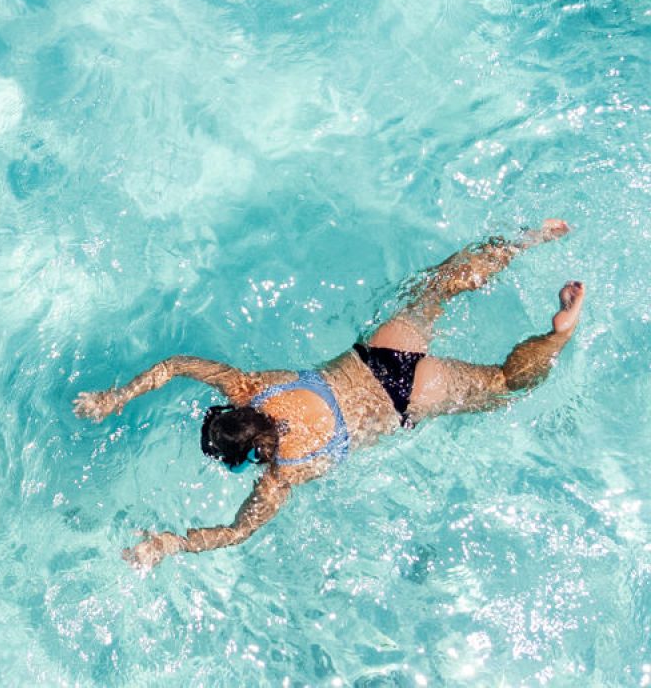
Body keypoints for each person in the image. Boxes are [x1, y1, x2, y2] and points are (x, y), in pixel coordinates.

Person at [73, 220, 584, 570]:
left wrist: (169, 544)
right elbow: (177, 364)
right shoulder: (253, 386)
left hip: (408, 399)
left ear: (247, 457)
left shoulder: (283, 473)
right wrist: (117, 397)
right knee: (440, 286)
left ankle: (559, 334)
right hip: (381, 353)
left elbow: (233, 532)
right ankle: (527, 240)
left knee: (504, 383)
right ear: (238, 411)